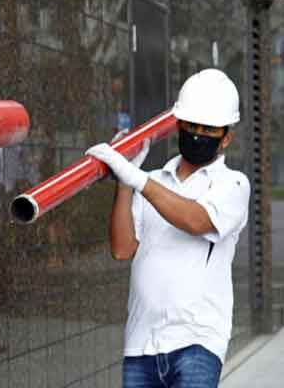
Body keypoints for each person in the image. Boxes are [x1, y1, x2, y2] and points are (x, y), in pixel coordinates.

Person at [86, 69, 250, 388]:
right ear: (179, 126)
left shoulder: (233, 184)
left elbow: (196, 220)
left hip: (197, 344)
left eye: (209, 129)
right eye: (191, 126)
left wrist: (138, 180)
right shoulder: (154, 182)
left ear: (226, 136)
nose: (198, 134)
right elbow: (122, 249)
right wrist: (125, 180)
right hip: (141, 344)